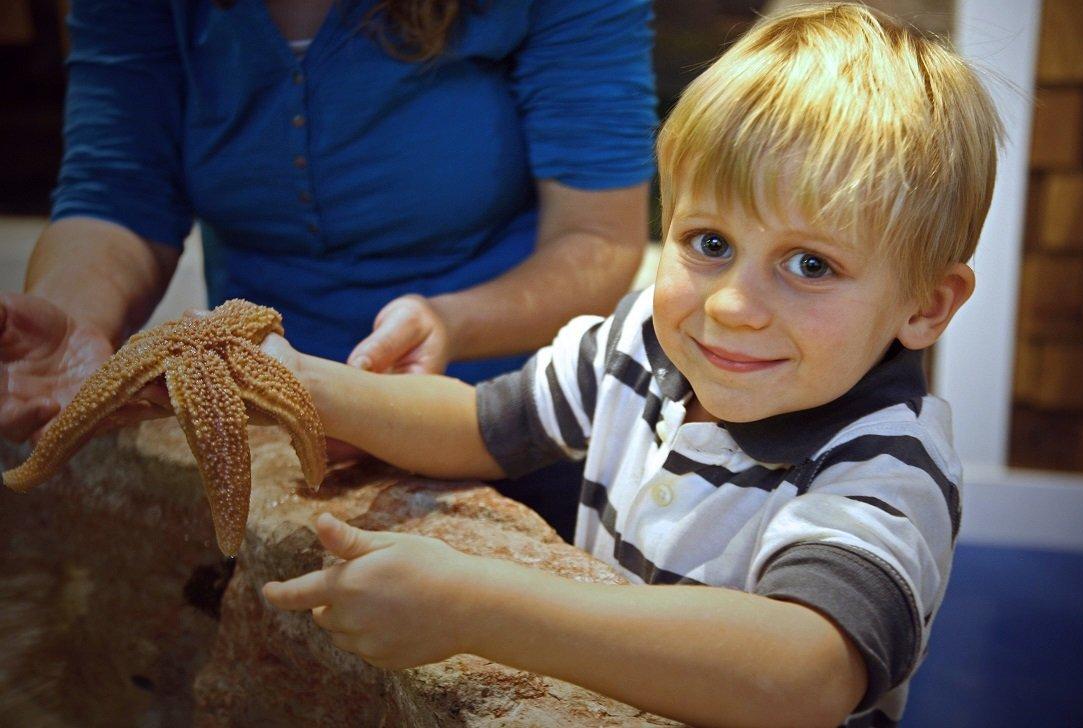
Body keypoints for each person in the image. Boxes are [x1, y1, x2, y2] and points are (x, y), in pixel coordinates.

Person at [270, 4, 1000, 725]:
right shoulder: (639, 344)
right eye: (710, 243)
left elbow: (803, 676)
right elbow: (479, 423)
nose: (731, 306)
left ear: (927, 305)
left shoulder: (887, 465)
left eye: (811, 265)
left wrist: (476, 608)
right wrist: (311, 385)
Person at [0, 0, 655, 539]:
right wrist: (73, 319)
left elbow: (596, 238)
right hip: (260, 417)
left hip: (492, 405)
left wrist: (449, 324)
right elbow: (117, 189)